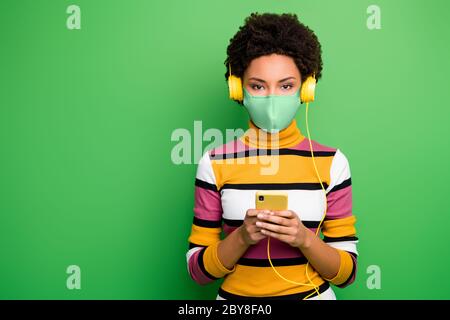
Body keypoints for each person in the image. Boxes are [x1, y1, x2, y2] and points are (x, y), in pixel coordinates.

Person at [186, 12, 358, 300]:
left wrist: (303, 239)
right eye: (258, 85)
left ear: (306, 88)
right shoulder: (214, 163)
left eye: (286, 85)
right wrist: (242, 237)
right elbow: (198, 272)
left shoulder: (332, 163)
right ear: (238, 88)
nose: (273, 98)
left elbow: (347, 273)